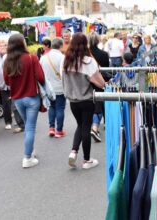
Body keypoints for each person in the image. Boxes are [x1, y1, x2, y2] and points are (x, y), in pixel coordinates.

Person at [61, 32, 106, 169]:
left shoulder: (66, 61)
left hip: (73, 100)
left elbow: (63, 80)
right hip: (86, 99)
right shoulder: (88, 61)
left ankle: (74, 152)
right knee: (86, 126)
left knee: (80, 125)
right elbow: (100, 83)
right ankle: (86, 160)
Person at [4, 33, 45, 168]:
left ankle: (31, 151)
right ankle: (27, 157)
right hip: (32, 97)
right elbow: (41, 77)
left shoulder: (7, 61)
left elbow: (6, 81)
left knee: (28, 126)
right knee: (30, 127)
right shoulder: (31, 58)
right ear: (22, 44)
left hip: (17, 98)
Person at [0, 38, 23, 132]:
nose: (2, 47)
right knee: (5, 104)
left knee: (15, 104)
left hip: (13, 84)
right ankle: (8, 122)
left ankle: (19, 121)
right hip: (2, 84)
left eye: (5, 45)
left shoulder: (11, 56)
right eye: (0, 45)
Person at [40, 38, 66, 138]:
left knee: (51, 107)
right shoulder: (62, 57)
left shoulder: (43, 57)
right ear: (61, 45)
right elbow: (64, 73)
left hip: (48, 87)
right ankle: (59, 131)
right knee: (60, 108)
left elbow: (40, 73)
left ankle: (51, 128)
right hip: (59, 87)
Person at [88, 33, 110, 142]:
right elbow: (107, 70)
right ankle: (102, 123)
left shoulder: (85, 55)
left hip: (87, 83)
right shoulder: (104, 54)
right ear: (98, 41)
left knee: (93, 104)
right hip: (100, 81)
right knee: (102, 102)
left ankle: (94, 124)